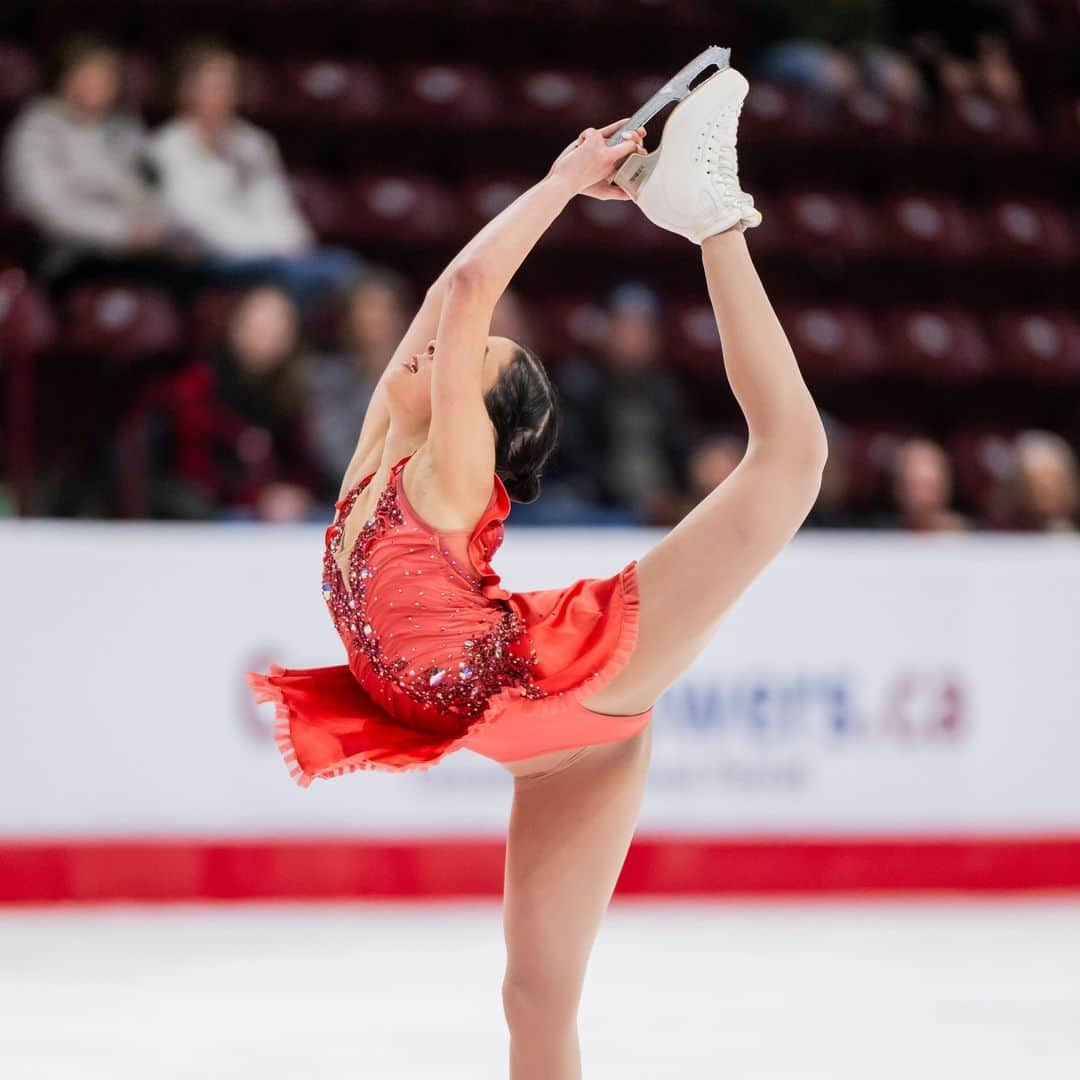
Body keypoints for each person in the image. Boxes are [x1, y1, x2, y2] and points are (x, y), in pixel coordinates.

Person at [248, 65, 826, 1079]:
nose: (439, 353)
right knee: (533, 996)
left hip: (574, 672)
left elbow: (470, 289)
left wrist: (565, 180)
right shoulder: (375, 463)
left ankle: (718, 220)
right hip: (564, 753)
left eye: (472, 362)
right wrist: (551, 200)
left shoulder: (450, 473)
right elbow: (443, 300)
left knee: (791, 462)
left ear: (486, 420)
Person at [149, 39, 360, 311]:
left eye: (227, 85)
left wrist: (293, 246)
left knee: (345, 265)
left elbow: (279, 206)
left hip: (272, 254)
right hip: (212, 259)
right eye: (212, 85)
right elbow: (195, 221)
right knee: (296, 277)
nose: (221, 94)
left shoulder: (256, 142)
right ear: (186, 90)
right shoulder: (166, 147)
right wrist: (270, 250)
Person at [2, 35, 187, 290]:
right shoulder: (38, 128)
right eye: (87, 75)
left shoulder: (124, 128)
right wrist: (121, 232)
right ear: (64, 78)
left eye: (105, 77)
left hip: (139, 250)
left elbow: (153, 185)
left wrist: (156, 228)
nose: (96, 85)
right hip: (69, 255)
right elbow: (45, 207)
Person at [158, 284, 330, 520]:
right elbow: (192, 469)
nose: (268, 334)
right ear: (236, 327)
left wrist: (295, 493)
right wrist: (257, 497)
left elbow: (304, 463)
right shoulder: (198, 385)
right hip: (213, 510)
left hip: (280, 511)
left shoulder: (292, 392)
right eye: (259, 325)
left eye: (278, 326)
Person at [550, 281, 692, 524]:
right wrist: (636, 499)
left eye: (643, 329)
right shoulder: (575, 384)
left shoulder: (664, 389)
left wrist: (702, 462)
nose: (633, 338)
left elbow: (680, 447)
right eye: (626, 327)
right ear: (604, 329)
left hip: (662, 505)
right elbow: (575, 459)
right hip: (600, 505)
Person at [304, 268, 414, 483]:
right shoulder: (327, 379)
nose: (373, 319)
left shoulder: (425, 376)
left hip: (413, 493)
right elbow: (333, 451)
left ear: (400, 317)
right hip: (343, 493)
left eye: (381, 308)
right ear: (347, 320)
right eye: (364, 309)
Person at [884, 436, 970, 532]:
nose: (923, 498)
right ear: (898, 488)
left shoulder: (975, 538)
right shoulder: (878, 537)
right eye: (915, 486)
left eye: (929, 487)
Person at [1007, 430, 1078, 532]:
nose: (1049, 489)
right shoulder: (1003, 532)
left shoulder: (1069, 534)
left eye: (1054, 480)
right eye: (1039, 484)